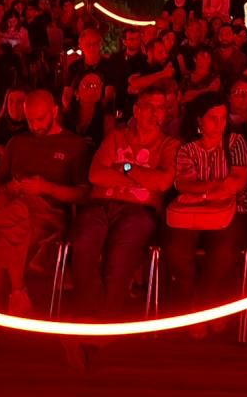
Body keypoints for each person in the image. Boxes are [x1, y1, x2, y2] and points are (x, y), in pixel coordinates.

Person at [0, 90, 91, 358]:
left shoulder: (75, 145)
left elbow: (83, 194)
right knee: (12, 218)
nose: (33, 126)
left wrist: (45, 187)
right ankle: (17, 292)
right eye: (29, 120)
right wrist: (12, 188)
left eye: (39, 119)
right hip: (16, 211)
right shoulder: (17, 142)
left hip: (49, 215)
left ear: (55, 111)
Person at [71, 88, 177, 319]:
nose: (154, 112)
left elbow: (161, 182)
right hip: (99, 205)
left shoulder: (169, 146)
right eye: (149, 106)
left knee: (120, 256)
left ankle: (105, 322)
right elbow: (96, 175)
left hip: (140, 211)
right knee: (82, 246)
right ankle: (91, 316)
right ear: (137, 111)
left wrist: (125, 168)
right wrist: (140, 178)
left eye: (160, 107)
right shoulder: (116, 137)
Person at [164, 92, 247, 336]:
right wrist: (212, 189)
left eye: (223, 118)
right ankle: (198, 303)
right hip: (192, 213)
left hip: (228, 211)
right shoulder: (187, 149)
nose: (219, 124)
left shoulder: (235, 142)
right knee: (176, 251)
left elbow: (238, 179)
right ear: (200, 121)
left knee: (224, 251)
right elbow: (183, 183)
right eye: (213, 118)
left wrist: (204, 193)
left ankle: (199, 306)